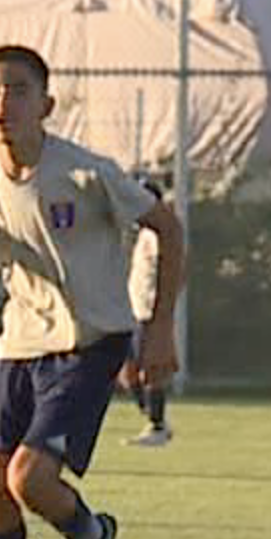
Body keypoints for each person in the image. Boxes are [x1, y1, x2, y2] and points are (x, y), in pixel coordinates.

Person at [0, 45, 184, 539]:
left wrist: (159, 328)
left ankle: (91, 537)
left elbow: (168, 226)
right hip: (20, 347)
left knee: (29, 478)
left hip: (90, 344)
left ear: (47, 104)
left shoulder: (85, 172)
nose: (3, 103)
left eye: (18, 91)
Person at [120, 176, 174, 446]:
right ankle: (153, 417)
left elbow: (175, 266)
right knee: (126, 371)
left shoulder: (158, 233)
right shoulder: (143, 233)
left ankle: (157, 425)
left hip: (149, 311)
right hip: (134, 309)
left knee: (148, 369)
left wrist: (162, 308)